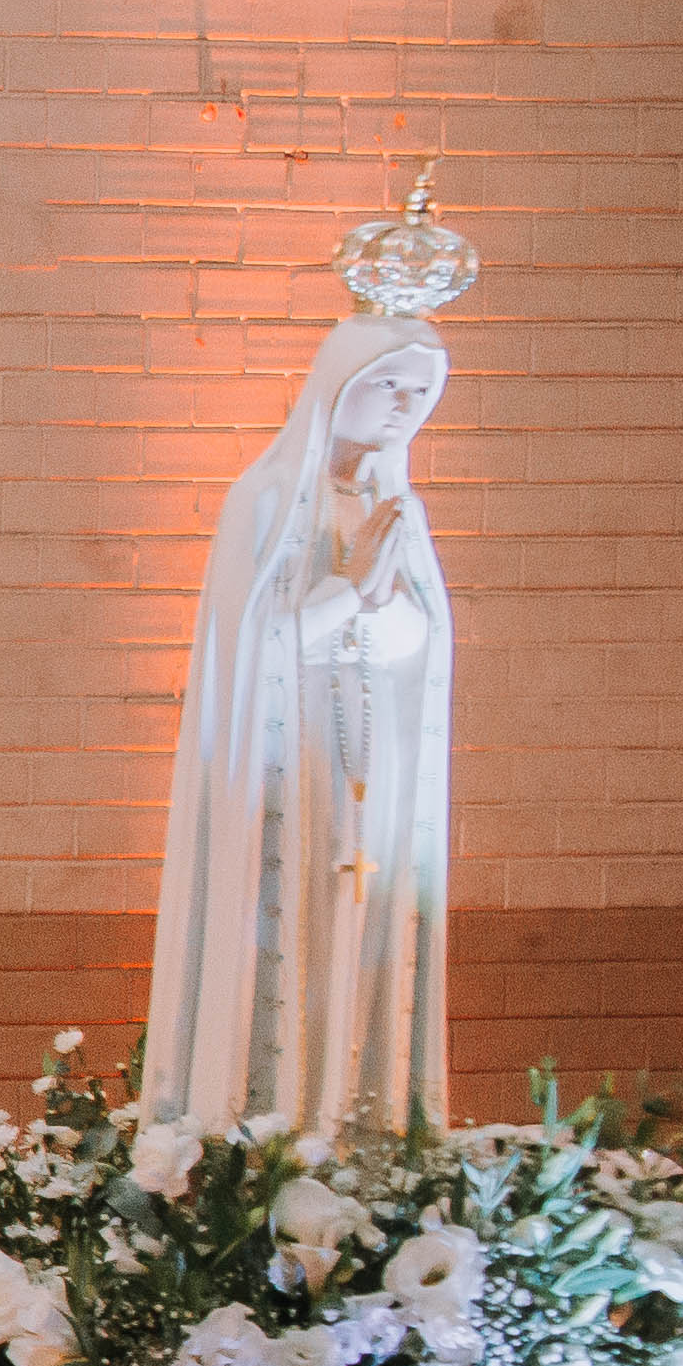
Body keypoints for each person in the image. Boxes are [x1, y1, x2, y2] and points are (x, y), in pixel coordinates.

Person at [147, 235, 461, 1137]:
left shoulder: (401, 510)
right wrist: (349, 594)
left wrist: (382, 609)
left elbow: (417, 645)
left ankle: (359, 1126)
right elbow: (249, 651)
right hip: (291, 778)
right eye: (387, 383)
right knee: (288, 941)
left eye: (421, 392)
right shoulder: (268, 497)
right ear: (337, 382)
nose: (403, 407)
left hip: (376, 778)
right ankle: (271, 1131)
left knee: (362, 949)